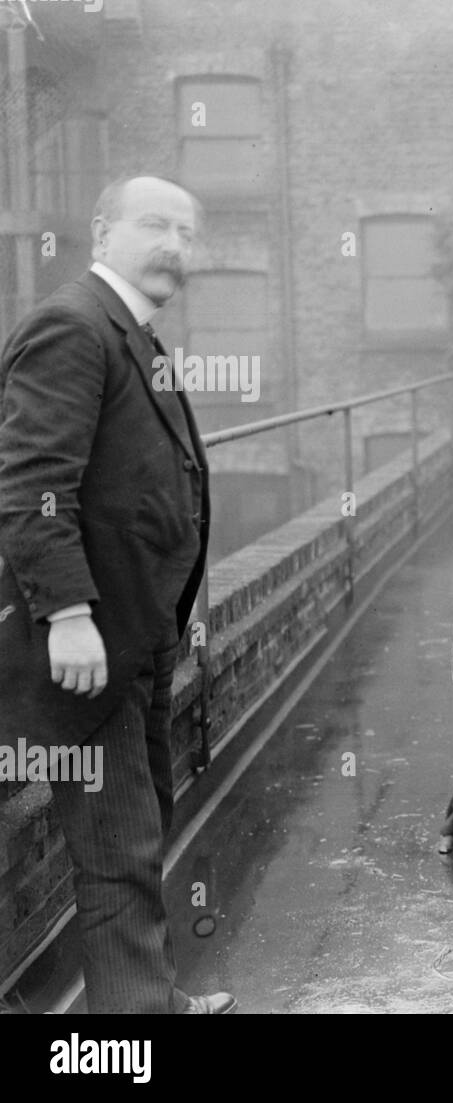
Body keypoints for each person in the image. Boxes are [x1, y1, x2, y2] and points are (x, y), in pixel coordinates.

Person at [0, 176, 235, 1013]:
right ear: (102, 231)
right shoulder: (73, 327)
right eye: (153, 224)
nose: (174, 242)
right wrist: (65, 613)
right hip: (88, 648)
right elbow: (31, 484)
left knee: (136, 834)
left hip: (135, 640)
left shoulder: (131, 333)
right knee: (116, 847)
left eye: (186, 229)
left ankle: (149, 1002)